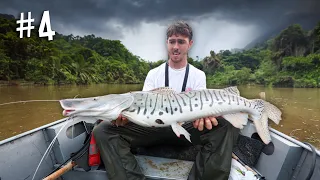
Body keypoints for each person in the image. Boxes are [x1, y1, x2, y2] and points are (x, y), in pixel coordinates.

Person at [93, 20, 240, 180]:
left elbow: (201, 108)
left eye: (181, 42)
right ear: (167, 43)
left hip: (186, 128)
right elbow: (142, 109)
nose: (176, 47)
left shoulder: (198, 75)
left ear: (190, 44)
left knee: (225, 127)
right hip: (153, 128)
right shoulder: (153, 74)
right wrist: (125, 118)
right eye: (172, 41)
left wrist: (205, 118)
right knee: (103, 130)